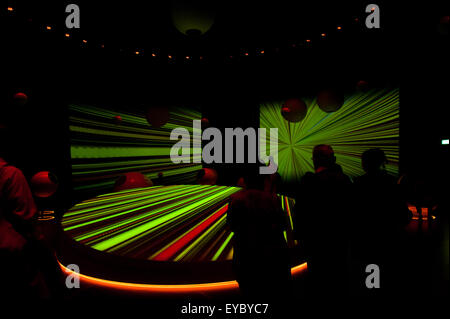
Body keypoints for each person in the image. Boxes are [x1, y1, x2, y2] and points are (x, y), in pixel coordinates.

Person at [293, 144, 353, 296]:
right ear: (332, 159)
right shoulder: (344, 180)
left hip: (316, 242)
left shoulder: (309, 182)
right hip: (340, 240)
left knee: (318, 281)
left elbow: (301, 212)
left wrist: (299, 237)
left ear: (315, 160)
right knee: (338, 278)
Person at [351, 148, 410, 294]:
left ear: (364, 164)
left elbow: (353, 214)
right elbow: (402, 214)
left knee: (370, 282)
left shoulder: (358, 184)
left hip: (366, 242)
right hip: (388, 241)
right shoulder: (391, 183)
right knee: (387, 280)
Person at [227, 169, 291, 301]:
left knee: (250, 294)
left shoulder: (235, 199)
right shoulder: (273, 199)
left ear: (245, 181)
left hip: (246, 257)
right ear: (263, 180)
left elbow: (231, 225)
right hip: (272, 256)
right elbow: (283, 224)